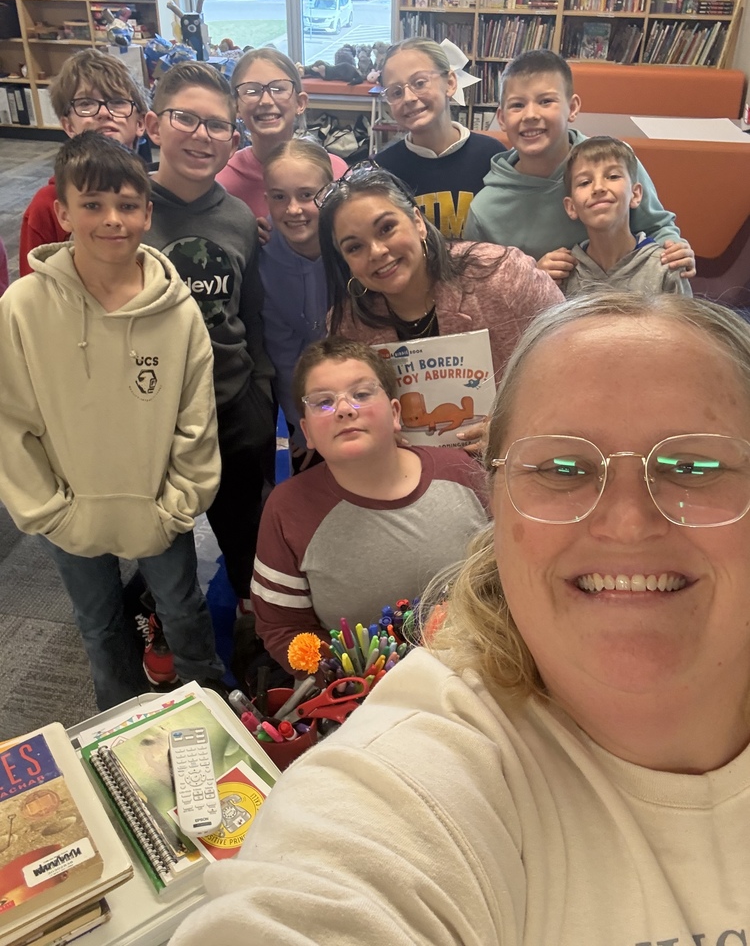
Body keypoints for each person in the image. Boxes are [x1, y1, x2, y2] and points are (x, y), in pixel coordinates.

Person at [171, 290, 750, 943]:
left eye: (695, 466)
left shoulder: (451, 476)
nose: (626, 523)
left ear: (396, 412)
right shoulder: (411, 775)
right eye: (562, 467)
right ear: (501, 501)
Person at [0, 132, 224, 711]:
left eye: (127, 205)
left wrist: (178, 503)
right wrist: (49, 512)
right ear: (62, 212)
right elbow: (11, 421)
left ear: (148, 213)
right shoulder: (22, 307)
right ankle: (118, 718)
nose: (112, 220)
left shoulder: (177, 310)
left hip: (157, 507)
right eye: (93, 205)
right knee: (98, 624)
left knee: (183, 611)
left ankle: (212, 708)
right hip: (70, 511)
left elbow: (194, 417)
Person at [250, 338, 489, 677]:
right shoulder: (288, 510)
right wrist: (347, 680)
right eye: (323, 402)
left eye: (361, 394)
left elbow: (514, 577)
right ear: (307, 433)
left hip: (486, 674)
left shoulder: (463, 473)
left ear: (395, 413)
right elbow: (282, 626)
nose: (345, 409)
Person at [145, 61, 276, 637]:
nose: (202, 136)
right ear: (153, 124)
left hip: (233, 407)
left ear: (233, 137)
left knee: (244, 533)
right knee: (162, 552)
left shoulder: (239, 218)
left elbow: (251, 317)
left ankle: (253, 631)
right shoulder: (126, 210)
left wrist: (261, 395)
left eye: (218, 126)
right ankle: (167, 636)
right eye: (186, 120)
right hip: (153, 415)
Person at [320, 163, 563, 446]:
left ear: (418, 222)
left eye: (386, 228)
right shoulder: (349, 328)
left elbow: (574, 367)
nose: (377, 251)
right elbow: (350, 414)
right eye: (354, 247)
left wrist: (517, 430)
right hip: (415, 477)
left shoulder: (504, 278)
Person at [463, 49, 695, 285]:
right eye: (517, 105)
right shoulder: (485, 211)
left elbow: (657, 225)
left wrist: (674, 249)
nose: (530, 115)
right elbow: (481, 285)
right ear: (501, 118)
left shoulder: (613, 163)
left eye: (546, 101)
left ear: (572, 108)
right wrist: (530, 276)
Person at [19, 49, 148, 277]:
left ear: (140, 122)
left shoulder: (153, 194)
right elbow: (33, 288)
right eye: (86, 104)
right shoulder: (46, 204)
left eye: (117, 102)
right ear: (68, 125)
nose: (104, 113)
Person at [374, 38, 505, 240]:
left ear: (450, 83)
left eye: (419, 83)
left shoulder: (492, 156)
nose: (408, 98)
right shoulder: (382, 171)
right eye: (396, 92)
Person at [260, 139, 332, 472]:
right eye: (279, 197)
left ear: (329, 193)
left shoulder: (352, 245)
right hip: (303, 402)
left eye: (306, 195)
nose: (293, 209)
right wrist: (302, 424)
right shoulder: (262, 260)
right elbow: (283, 356)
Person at [216, 48, 347, 222]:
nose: (266, 101)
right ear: (237, 107)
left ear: (300, 103)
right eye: (252, 91)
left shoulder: (335, 171)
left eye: (278, 89)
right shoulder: (221, 181)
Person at [561, 136, 693, 297]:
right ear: (571, 207)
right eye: (585, 182)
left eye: (613, 176)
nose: (598, 188)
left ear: (635, 194)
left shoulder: (666, 267)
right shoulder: (564, 273)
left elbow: (682, 322)